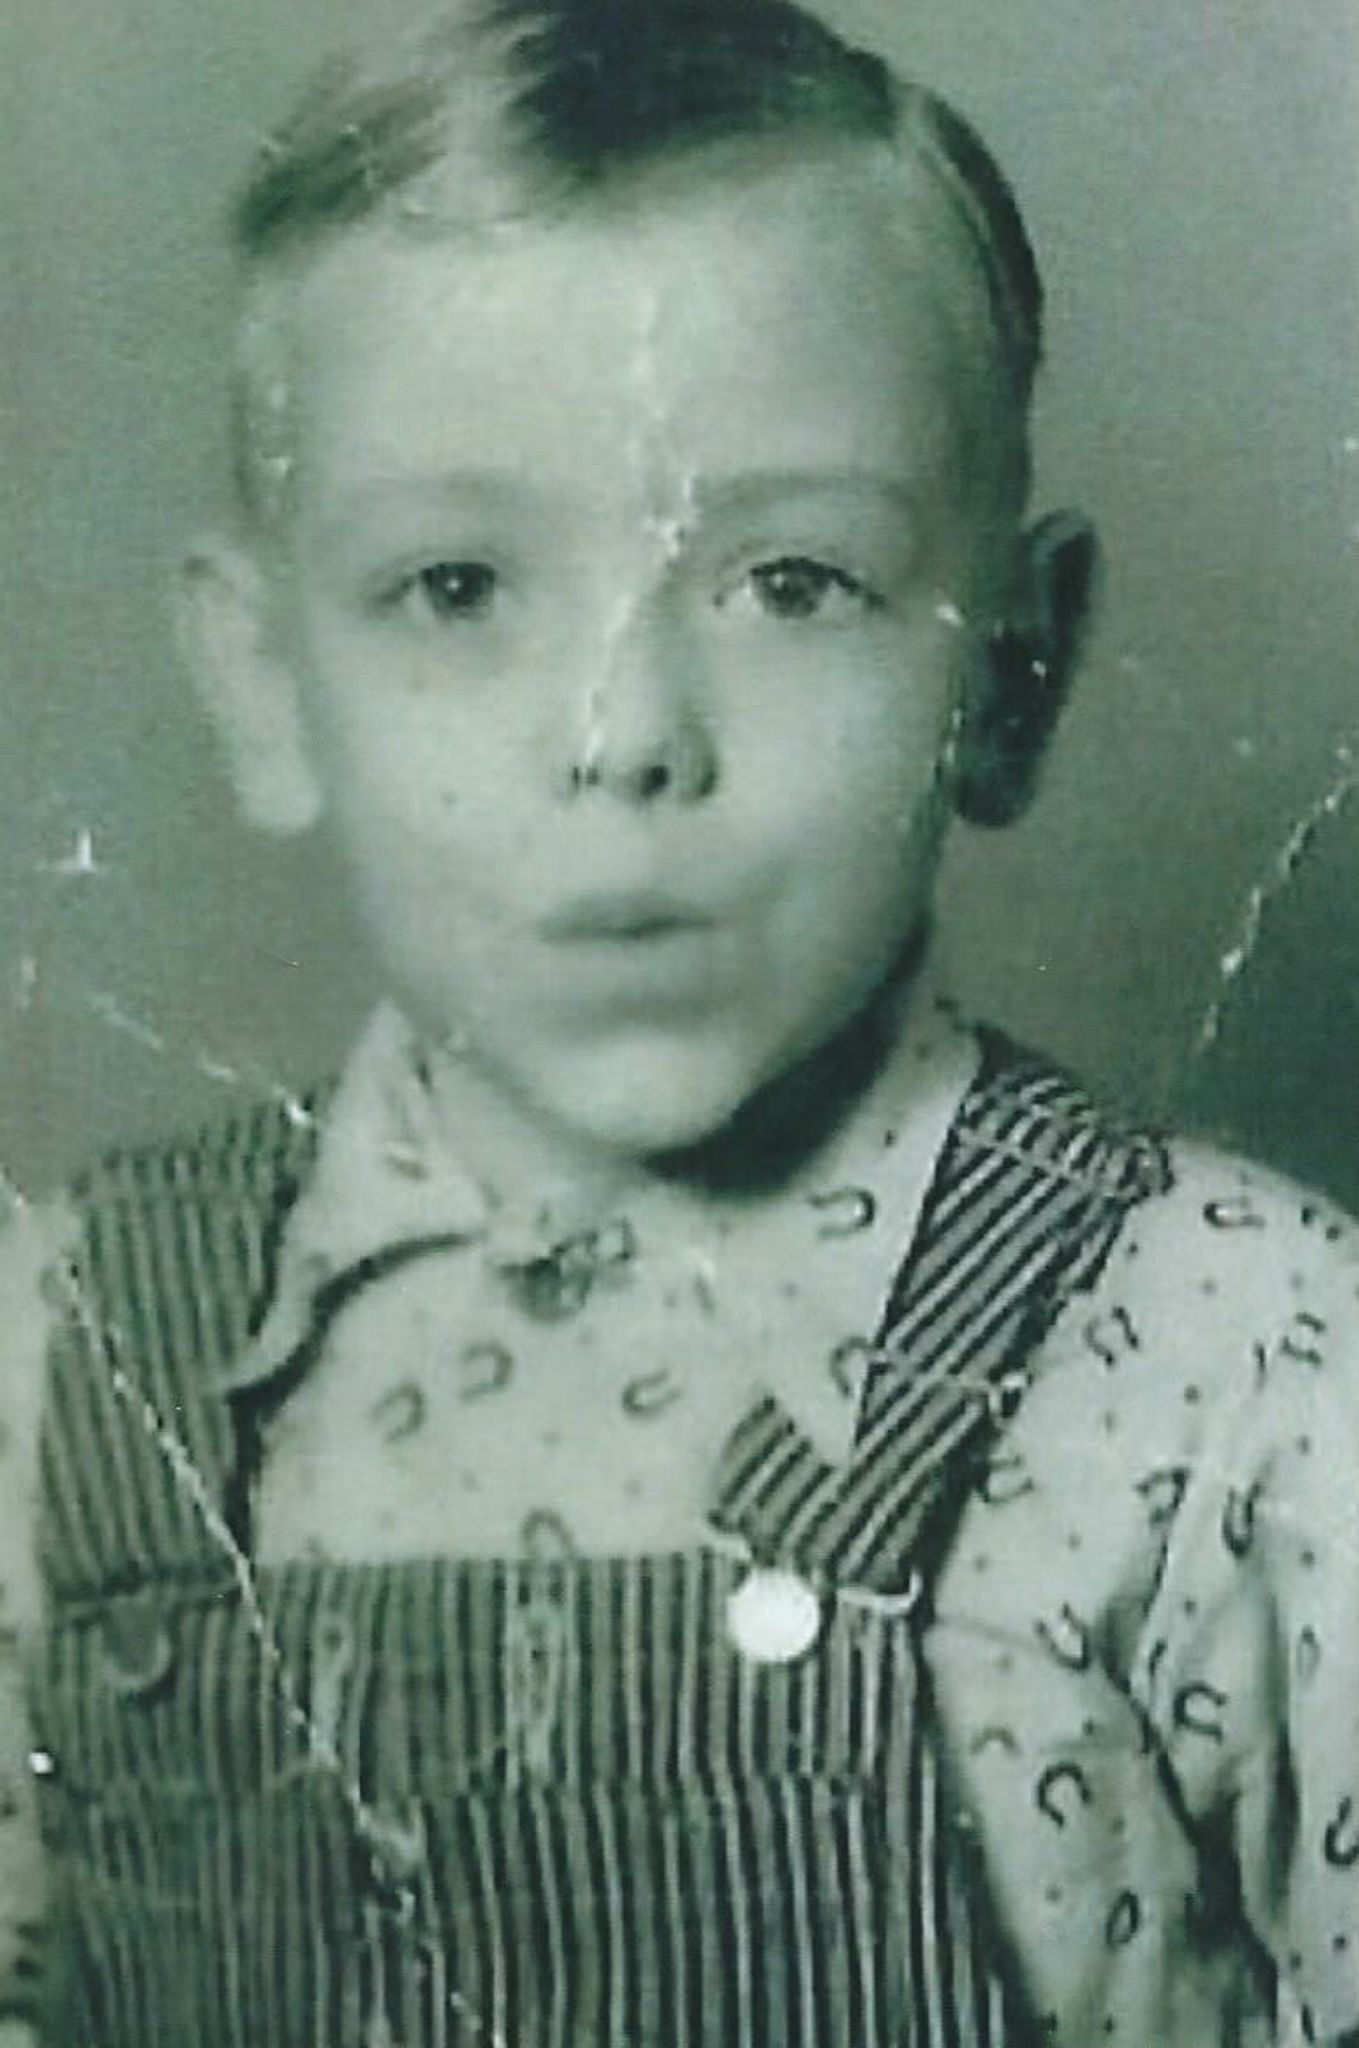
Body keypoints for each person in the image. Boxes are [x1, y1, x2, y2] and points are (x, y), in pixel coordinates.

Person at [1, 0, 1357, 2041]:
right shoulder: (57, 1364)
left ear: (1012, 670)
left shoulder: (1243, 1365)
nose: (625, 736)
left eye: (793, 581)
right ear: (266, 681)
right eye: (457, 587)